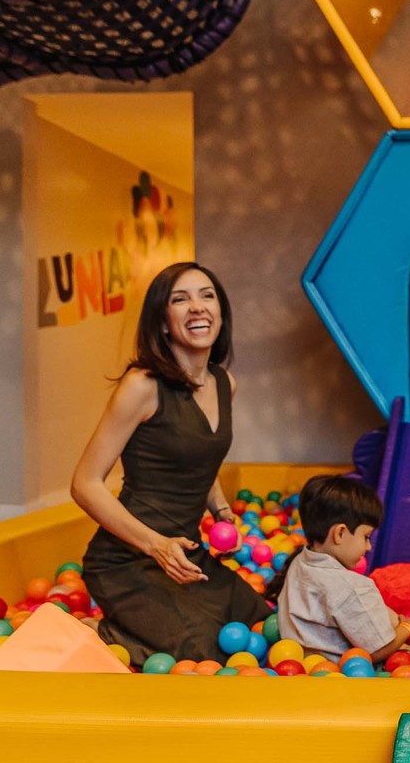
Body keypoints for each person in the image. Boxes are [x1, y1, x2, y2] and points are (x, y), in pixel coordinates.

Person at [71, 262, 270, 666]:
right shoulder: (142, 386)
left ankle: (135, 630)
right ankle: (101, 634)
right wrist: (156, 545)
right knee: (208, 653)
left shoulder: (224, 384)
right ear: (162, 322)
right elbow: (84, 483)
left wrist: (222, 510)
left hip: (185, 555)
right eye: (180, 299)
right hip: (126, 562)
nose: (197, 306)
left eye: (207, 295)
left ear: (220, 312)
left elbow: (199, 456)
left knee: (261, 623)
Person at [267, 476, 410, 665]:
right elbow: (376, 651)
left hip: (304, 662)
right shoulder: (352, 587)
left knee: (389, 615)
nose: (368, 547)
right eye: (366, 537)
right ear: (339, 533)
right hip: (358, 669)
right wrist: (407, 628)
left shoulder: (299, 562)